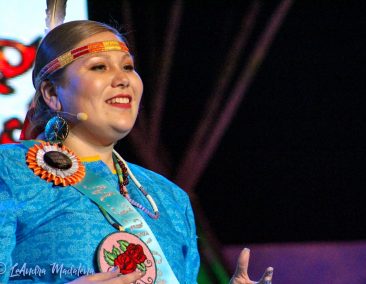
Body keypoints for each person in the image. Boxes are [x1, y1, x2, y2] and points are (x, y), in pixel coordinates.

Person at [0, 20, 273, 283]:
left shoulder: (170, 199)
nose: (122, 79)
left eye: (128, 67)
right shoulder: (10, 170)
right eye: (98, 67)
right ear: (51, 92)